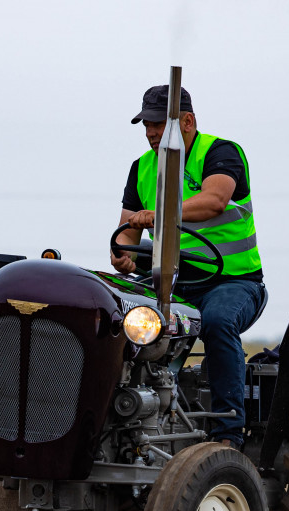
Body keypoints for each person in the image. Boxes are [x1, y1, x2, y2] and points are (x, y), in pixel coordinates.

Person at [111, 84, 266, 449]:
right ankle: (126, 423)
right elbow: (125, 235)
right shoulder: (141, 168)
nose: (150, 132)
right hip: (172, 283)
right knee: (117, 318)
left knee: (217, 322)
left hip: (233, 282)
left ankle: (228, 434)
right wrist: (122, 256)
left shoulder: (221, 153)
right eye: (146, 124)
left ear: (187, 122)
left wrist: (158, 214)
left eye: (157, 124)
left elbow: (215, 200)